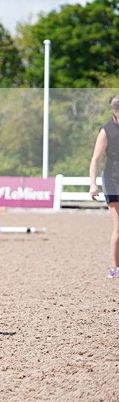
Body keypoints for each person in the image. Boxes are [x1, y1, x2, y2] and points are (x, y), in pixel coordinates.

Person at [89, 95, 119, 279]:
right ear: (116, 112)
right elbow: (96, 159)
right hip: (113, 180)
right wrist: (93, 184)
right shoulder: (107, 130)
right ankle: (116, 268)